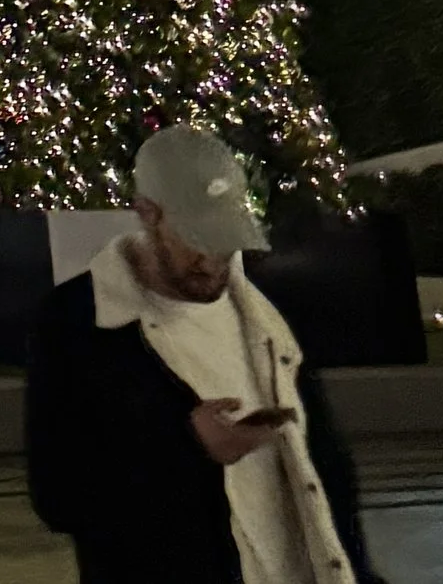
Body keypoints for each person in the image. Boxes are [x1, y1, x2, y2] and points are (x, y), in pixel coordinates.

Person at [26, 122, 376, 583]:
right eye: (196, 239)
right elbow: (58, 498)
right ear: (147, 213)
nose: (212, 260)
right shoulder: (81, 322)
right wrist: (188, 447)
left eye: (225, 237)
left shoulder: (266, 311)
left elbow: (326, 472)